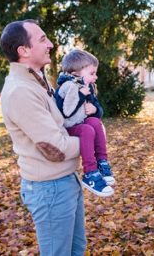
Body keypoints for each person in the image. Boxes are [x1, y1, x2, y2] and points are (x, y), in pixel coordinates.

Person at [0, 19, 87, 255]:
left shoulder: (36, 81)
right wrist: (92, 144)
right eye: (42, 39)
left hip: (66, 182)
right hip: (50, 189)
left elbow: (62, 125)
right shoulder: (21, 90)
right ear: (24, 51)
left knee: (77, 250)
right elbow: (54, 148)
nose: (50, 43)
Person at [54, 49, 115, 197]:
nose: (96, 76)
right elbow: (65, 112)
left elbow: (98, 111)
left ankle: (102, 162)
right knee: (87, 129)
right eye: (92, 73)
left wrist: (94, 109)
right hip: (69, 127)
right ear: (76, 72)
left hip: (82, 123)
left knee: (94, 121)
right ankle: (90, 173)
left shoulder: (88, 87)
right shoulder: (67, 87)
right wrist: (81, 97)